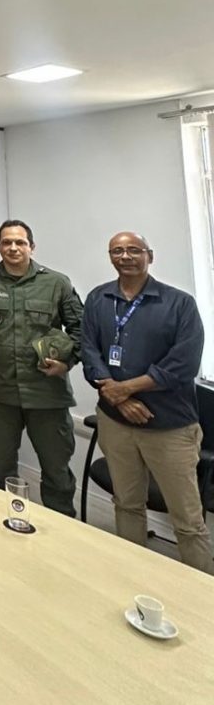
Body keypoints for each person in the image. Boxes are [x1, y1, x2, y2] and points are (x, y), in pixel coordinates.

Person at [81, 231, 214, 573]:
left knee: (188, 520)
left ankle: (202, 592)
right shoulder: (98, 298)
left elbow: (183, 364)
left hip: (169, 428)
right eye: (117, 250)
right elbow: (89, 351)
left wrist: (124, 389)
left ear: (149, 256)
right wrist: (118, 399)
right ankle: (133, 576)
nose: (125, 256)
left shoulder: (179, 304)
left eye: (133, 250)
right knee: (127, 504)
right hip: (115, 423)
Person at [0, 220, 83, 516]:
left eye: (20, 242)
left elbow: (80, 329)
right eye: (6, 242)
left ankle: (61, 529)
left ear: (31, 246)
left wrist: (67, 363)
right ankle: (3, 523)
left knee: (56, 470)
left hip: (46, 393)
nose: (13, 248)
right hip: (1, 393)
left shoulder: (57, 283)